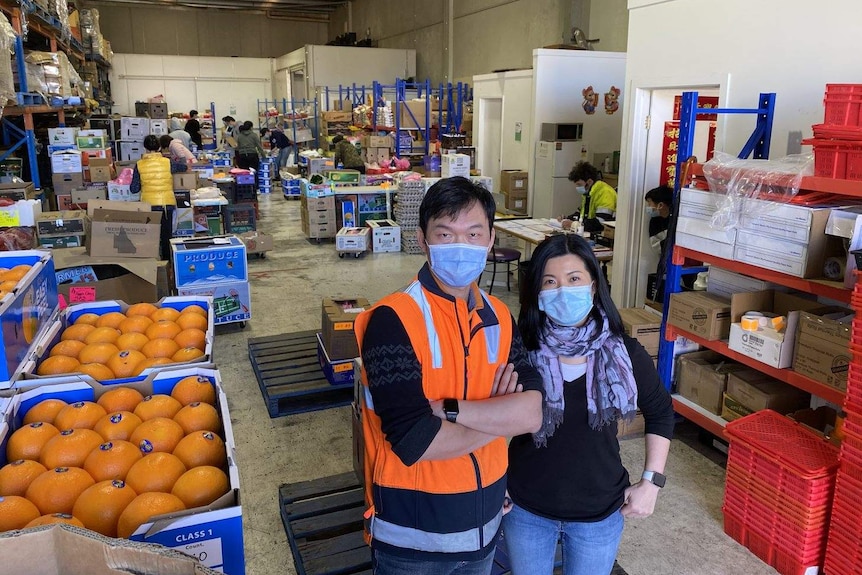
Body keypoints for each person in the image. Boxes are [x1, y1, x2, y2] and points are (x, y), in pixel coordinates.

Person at [354, 176, 545, 575]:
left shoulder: (500, 318)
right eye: (446, 233)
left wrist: (451, 411)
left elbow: (532, 412)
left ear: (491, 239)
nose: (461, 245)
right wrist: (498, 416)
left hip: (486, 523)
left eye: (474, 233)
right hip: (412, 538)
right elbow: (415, 442)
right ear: (423, 241)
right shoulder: (393, 321)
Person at [504, 233, 674, 575]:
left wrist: (651, 483)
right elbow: (492, 420)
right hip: (525, 508)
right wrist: (494, 484)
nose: (562, 290)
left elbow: (661, 412)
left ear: (594, 287)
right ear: (536, 292)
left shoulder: (624, 353)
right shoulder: (518, 352)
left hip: (599, 511)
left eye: (574, 279)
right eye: (550, 281)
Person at [130, 135, 188, 259]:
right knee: (166, 237)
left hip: (149, 206)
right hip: (167, 204)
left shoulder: (139, 165)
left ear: (145, 148)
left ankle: (153, 264)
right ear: (159, 147)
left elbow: (133, 189)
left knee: (151, 237)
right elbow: (184, 166)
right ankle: (167, 265)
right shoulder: (167, 162)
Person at [568, 161, 617, 233]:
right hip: (589, 232)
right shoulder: (588, 193)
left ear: (589, 182)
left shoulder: (605, 193)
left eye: (579, 184)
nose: (577, 187)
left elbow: (600, 223)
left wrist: (573, 224)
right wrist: (566, 219)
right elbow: (580, 214)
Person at [644, 184, 673, 257]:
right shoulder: (654, 222)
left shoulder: (676, 219)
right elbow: (656, 247)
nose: (648, 207)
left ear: (660, 205)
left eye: (649, 203)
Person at [235, 121, 265, 188]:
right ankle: (255, 188)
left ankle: (245, 187)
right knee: (253, 172)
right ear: (251, 127)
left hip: (242, 156)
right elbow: (259, 146)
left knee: (244, 173)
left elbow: (237, 147)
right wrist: (264, 156)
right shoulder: (254, 135)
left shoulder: (239, 136)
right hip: (252, 155)